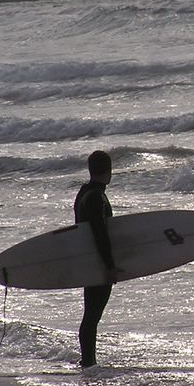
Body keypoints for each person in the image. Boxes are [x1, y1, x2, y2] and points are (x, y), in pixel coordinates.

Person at [74, 150, 119, 367]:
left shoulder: (84, 192)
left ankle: (88, 361)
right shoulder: (96, 197)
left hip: (88, 261)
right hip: (97, 263)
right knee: (92, 315)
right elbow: (100, 233)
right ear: (109, 171)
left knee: (90, 314)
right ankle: (89, 363)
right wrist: (109, 265)